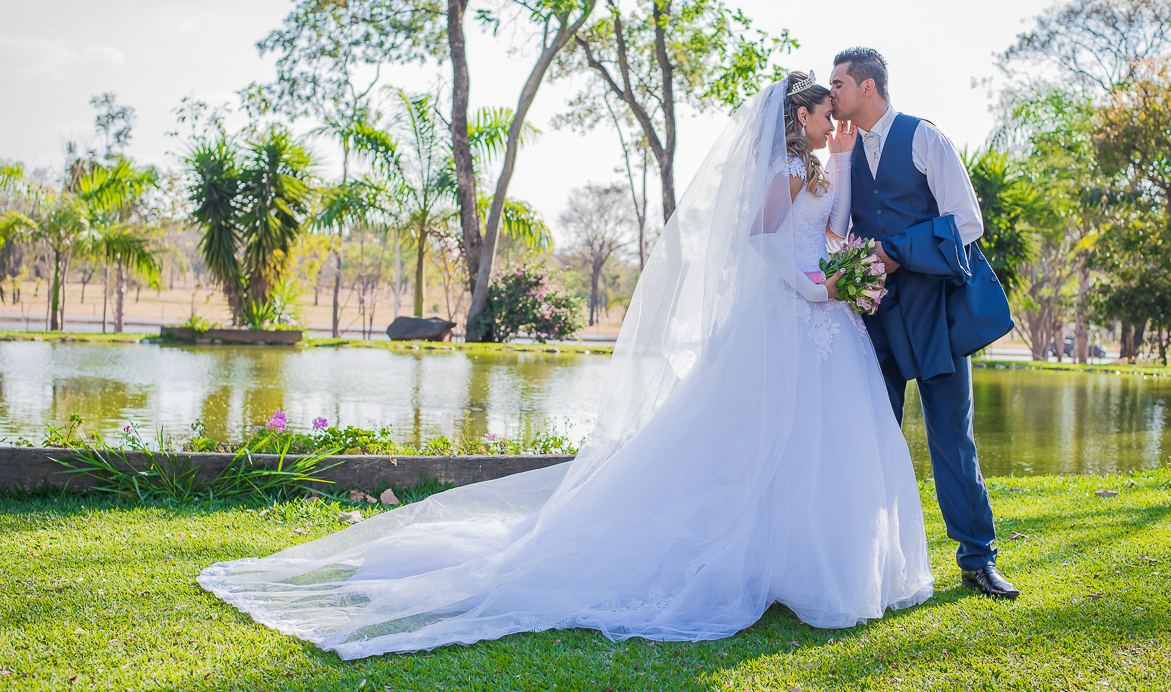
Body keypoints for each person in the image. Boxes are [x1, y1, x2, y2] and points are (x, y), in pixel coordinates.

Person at [197, 71, 934, 658]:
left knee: (820, 447)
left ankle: (813, 569)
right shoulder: (774, 179)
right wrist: (813, 285)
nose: (827, 115)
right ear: (796, 117)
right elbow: (767, 248)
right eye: (818, 109)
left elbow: (832, 230)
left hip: (824, 326)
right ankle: (760, 563)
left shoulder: (818, 168)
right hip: (786, 317)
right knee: (766, 440)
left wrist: (840, 259)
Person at [827, 46, 1019, 600]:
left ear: (868, 87)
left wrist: (895, 249)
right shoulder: (844, 150)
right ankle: (864, 559)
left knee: (951, 439)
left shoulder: (924, 138)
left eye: (838, 83)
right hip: (874, 316)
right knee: (870, 435)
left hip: (932, 312)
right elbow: (840, 227)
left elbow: (968, 221)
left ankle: (978, 559)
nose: (830, 92)